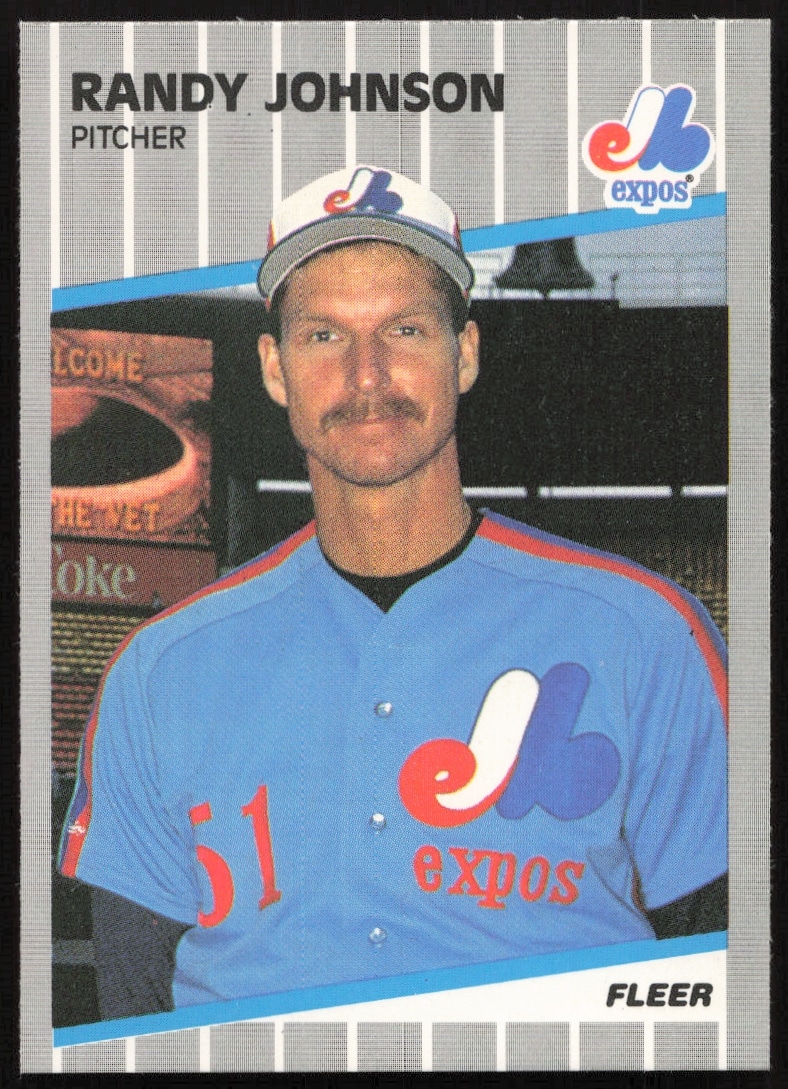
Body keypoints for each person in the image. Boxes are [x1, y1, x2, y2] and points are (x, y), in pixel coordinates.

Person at [59, 164, 728, 1020]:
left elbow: (723, 977)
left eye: (405, 329)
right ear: (274, 368)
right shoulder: (161, 668)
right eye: (324, 335)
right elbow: (135, 1007)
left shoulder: (646, 633)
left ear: (465, 353)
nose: (367, 374)